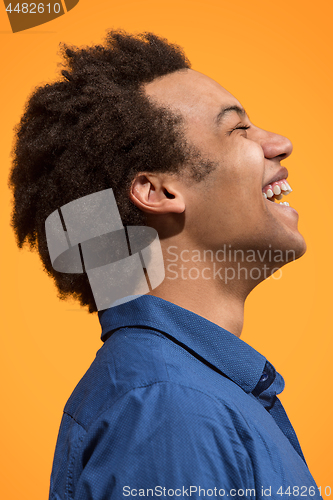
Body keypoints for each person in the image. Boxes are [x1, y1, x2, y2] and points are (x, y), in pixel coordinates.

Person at [8, 30, 322, 499]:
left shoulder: (182, 396)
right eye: (238, 129)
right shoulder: (171, 411)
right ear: (158, 191)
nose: (280, 143)